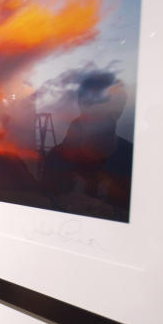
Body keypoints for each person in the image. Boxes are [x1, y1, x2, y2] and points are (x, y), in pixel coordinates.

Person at [42, 72, 133, 221]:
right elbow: (43, 208)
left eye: (117, 102)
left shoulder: (131, 158)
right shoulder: (57, 159)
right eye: (100, 100)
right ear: (82, 105)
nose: (111, 110)